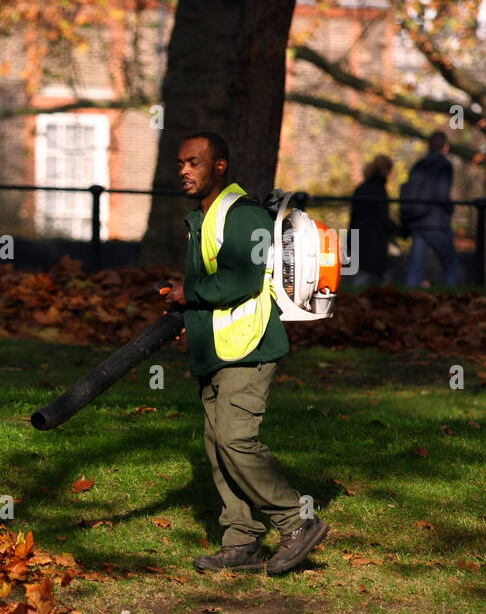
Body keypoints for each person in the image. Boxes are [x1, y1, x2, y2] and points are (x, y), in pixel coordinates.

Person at [164, 132, 329, 576]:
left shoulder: (244, 216)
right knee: (218, 446)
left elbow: (242, 280)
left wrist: (189, 292)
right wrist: (190, 312)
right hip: (219, 348)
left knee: (236, 439)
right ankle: (241, 542)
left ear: (220, 167)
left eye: (193, 163)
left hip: (249, 348)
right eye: (180, 163)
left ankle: (298, 520)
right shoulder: (202, 218)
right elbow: (213, 292)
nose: (184, 170)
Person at [401, 131, 459, 287]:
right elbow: (442, 194)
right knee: (451, 266)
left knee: (415, 269)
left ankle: (408, 301)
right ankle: (454, 301)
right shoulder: (444, 165)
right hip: (436, 222)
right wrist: (451, 208)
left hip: (418, 222)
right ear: (445, 147)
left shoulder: (419, 165)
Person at [348, 155, 405, 285]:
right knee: (377, 274)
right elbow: (382, 216)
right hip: (375, 238)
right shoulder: (379, 190)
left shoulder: (361, 188)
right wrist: (398, 231)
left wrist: (350, 240)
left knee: (363, 274)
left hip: (361, 237)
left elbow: (354, 217)